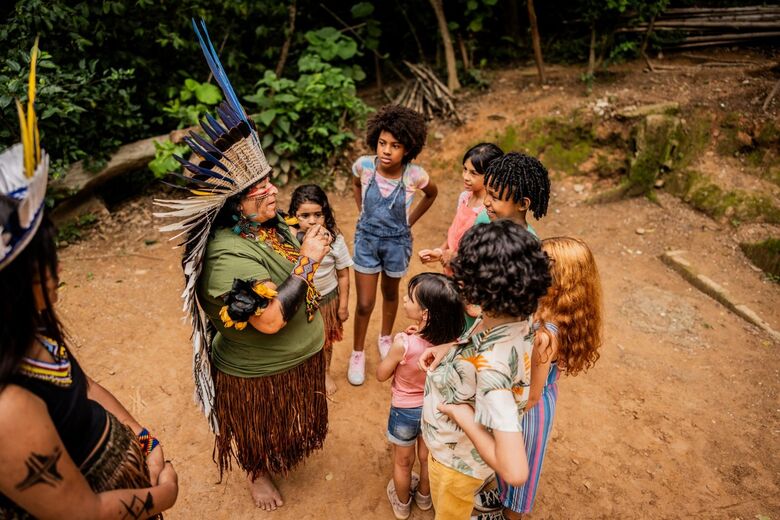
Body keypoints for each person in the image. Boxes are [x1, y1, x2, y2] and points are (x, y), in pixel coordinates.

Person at [155, 20, 332, 511]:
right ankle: (256, 471)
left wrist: (304, 251)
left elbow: (293, 266)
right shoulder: (224, 259)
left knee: (285, 423)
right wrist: (308, 264)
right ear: (234, 206)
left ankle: (277, 449)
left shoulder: (268, 225)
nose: (274, 191)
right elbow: (271, 320)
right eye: (261, 190)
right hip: (258, 370)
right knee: (259, 428)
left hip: (296, 360)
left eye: (270, 181)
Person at [0, 40, 178, 519]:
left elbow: (85, 385)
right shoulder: (7, 411)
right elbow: (80, 514)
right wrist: (162, 495)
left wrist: (142, 437)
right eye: (46, 259)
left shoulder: (25, 333)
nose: (58, 270)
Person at [420, 220, 552, 520]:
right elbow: (483, 329)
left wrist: (461, 414)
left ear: (475, 291)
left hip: (456, 462)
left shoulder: (492, 369)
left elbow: (515, 471)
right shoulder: (520, 310)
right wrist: (451, 347)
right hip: (464, 456)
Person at [494, 237, 603, 519]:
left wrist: (504, 410)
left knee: (521, 462)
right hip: (539, 400)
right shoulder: (556, 315)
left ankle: (510, 513)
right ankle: (502, 497)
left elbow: (532, 394)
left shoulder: (546, 336)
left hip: (530, 409)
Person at [349, 105, 438, 386]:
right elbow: (355, 185)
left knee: (390, 293)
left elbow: (431, 194)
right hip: (366, 239)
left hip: (397, 243)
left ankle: (385, 337)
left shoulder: (415, 175)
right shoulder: (364, 166)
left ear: (408, 149)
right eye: (382, 143)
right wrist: (361, 211)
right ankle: (357, 352)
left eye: (395, 145)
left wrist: (408, 222)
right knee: (364, 303)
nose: (386, 151)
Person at [376, 273, 465, 520]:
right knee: (426, 458)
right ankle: (425, 499)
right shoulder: (451, 343)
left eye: (410, 297)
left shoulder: (404, 343)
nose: (404, 299)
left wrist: (397, 345)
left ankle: (402, 504)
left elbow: (381, 374)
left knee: (403, 462)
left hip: (403, 411)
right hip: (431, 410)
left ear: (424, 313)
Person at [289, 184, 352, 396]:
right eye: (304, 215)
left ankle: (324, 372)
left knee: (325, 341)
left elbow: (343, 274)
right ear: (294, 216)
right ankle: (301, 374)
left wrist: (343, 306)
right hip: (299, 302)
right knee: (299, 341)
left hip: (326, 300)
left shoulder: (335, 240)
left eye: (318, 214)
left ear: (326, 213)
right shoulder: (289, 241)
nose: (312, 221)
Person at [419, 143, 503, 273]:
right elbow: (455, 231)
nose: (465, 177)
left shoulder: (489, 211)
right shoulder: (465, 197)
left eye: (473, 173)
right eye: (465, 169)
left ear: (491, 176)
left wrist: (452, 258)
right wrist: (439, 251)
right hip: (450, 268)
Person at [476, 152, 551, 237]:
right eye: (487, 192)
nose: (485, 202)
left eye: (494, 197)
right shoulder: (484, 219)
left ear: (523, 204)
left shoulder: (528, 243)